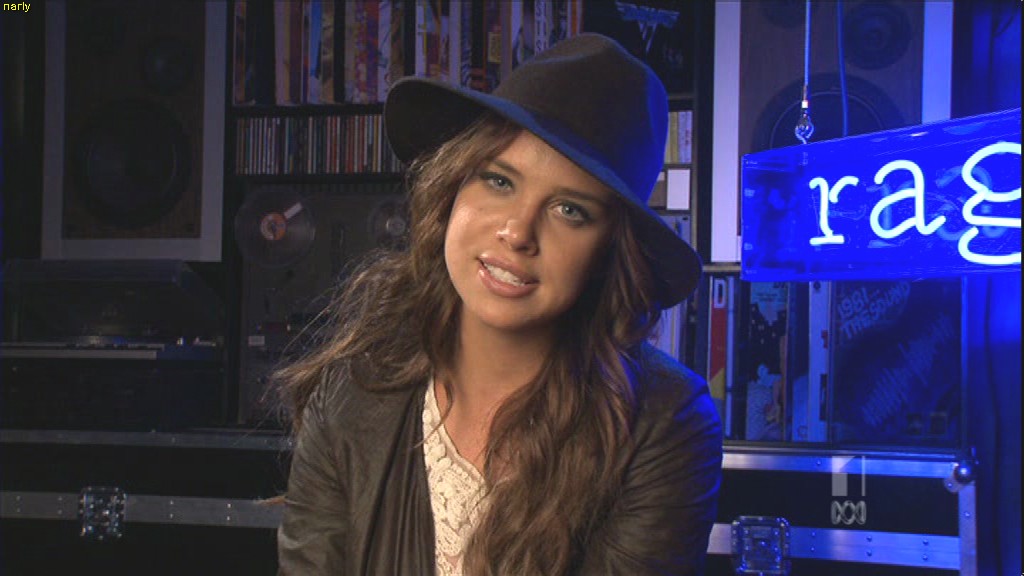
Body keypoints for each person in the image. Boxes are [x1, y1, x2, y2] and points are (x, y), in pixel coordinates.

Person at [276, 33, 722, 576]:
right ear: (452, 188)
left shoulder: (664, 423)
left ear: (610, 251)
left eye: (569, 210)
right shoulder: (350, 391)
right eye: (498, 180)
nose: (517, 232)